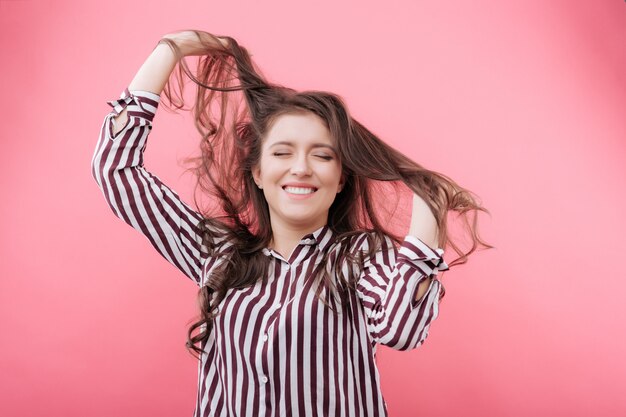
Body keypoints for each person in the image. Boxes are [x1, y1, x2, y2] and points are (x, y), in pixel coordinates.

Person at [91, 30, 492, 417]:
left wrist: (429, 204)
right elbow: (117, 171)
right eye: (283, 153)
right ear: (258, 174)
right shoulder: (219, 255)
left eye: (321, 156)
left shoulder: (360, 257)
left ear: (341, 180)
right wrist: (171, 49)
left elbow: (401, 329)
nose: (301, 169)